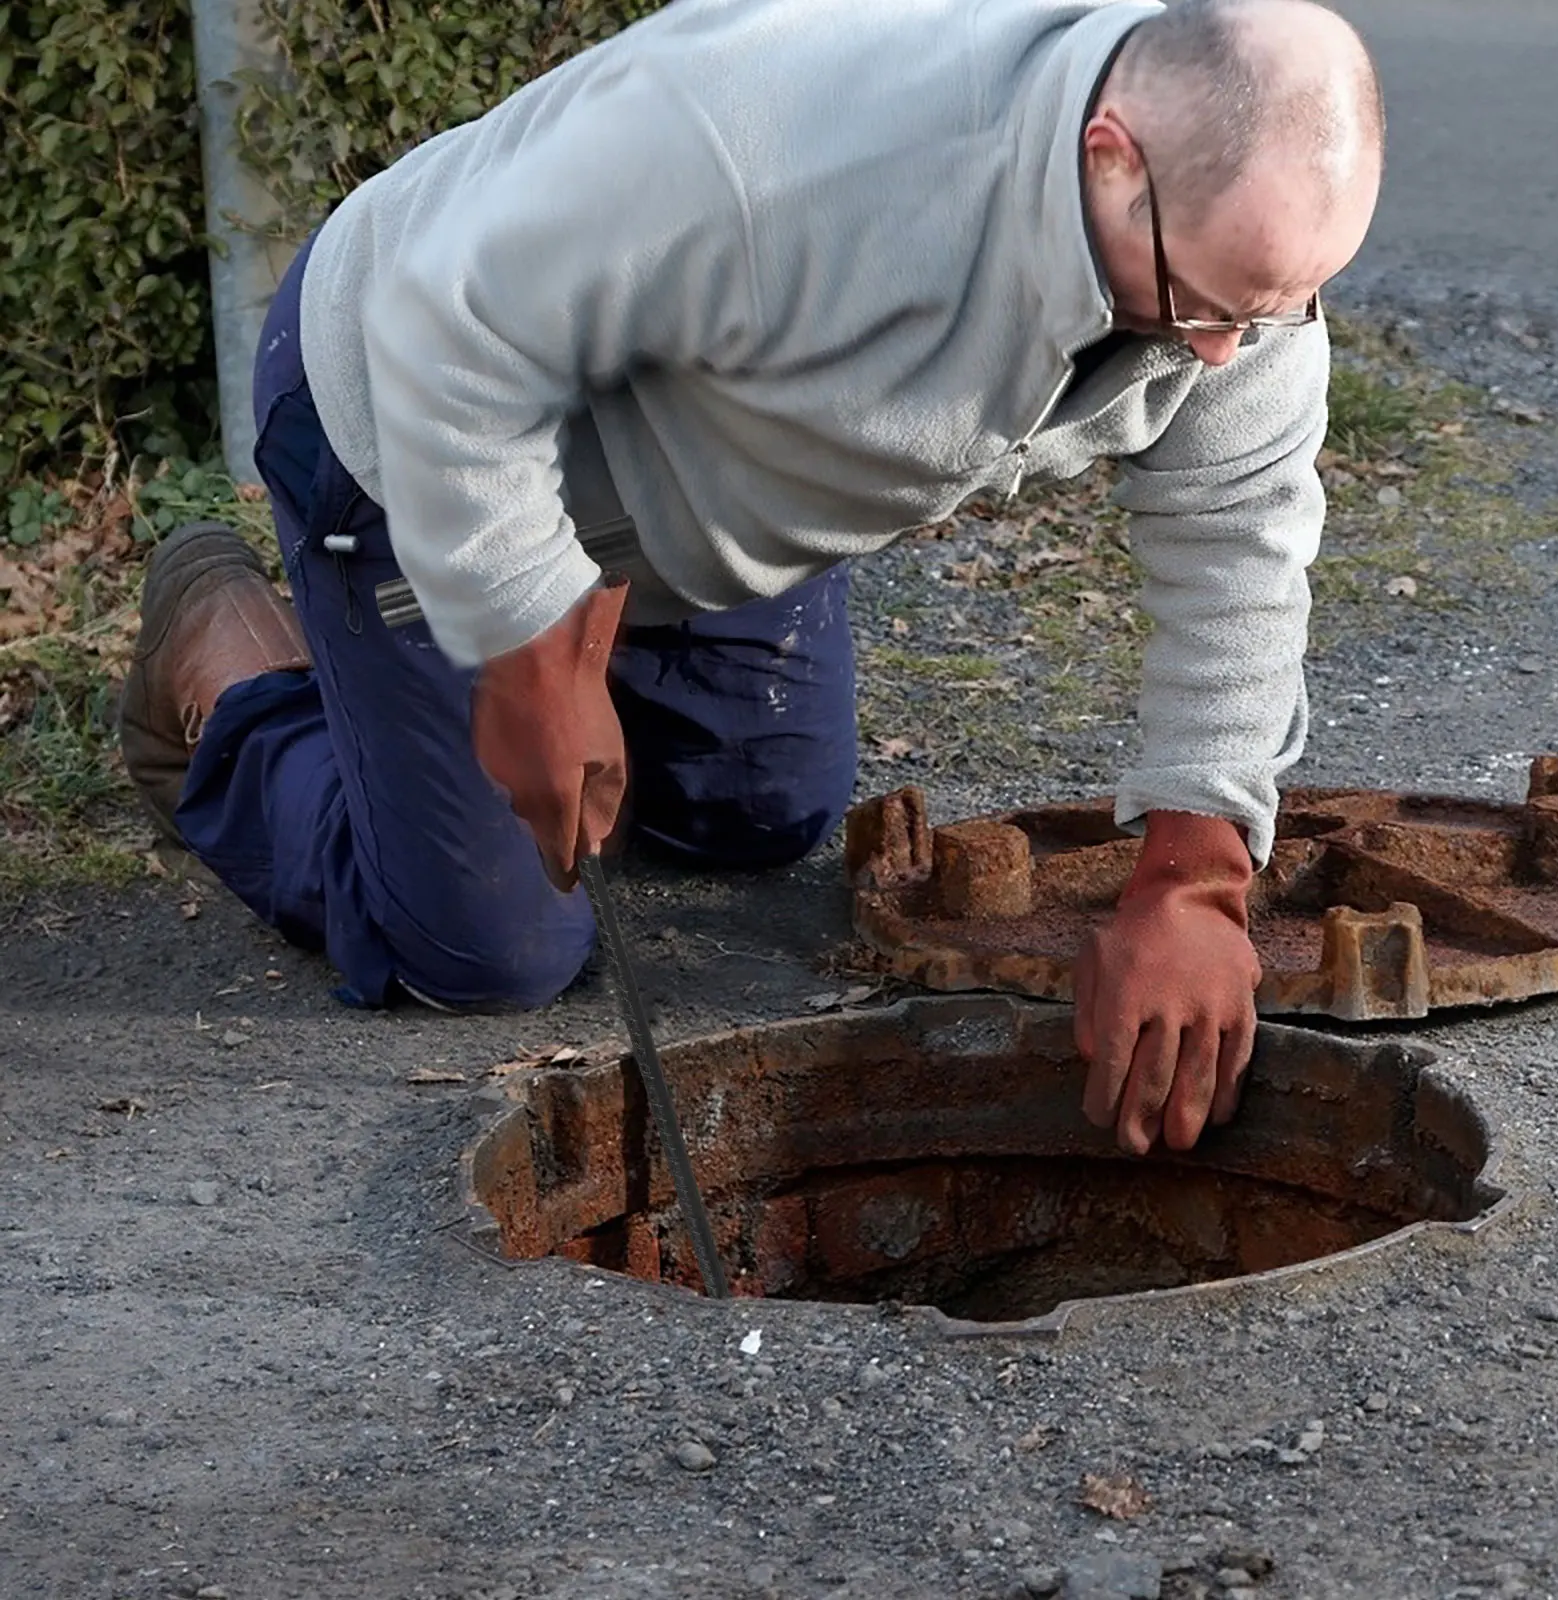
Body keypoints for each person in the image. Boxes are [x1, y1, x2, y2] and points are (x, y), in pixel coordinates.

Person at [119, 0, 1384, 1157]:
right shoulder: (775, 144)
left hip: (699, 472)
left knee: (760, 814)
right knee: (490, 950)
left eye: (1272, 313)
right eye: (1208, 305)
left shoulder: (1235, 267)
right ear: (1110, 154)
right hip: (408, 417)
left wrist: (1195, 875)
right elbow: (453, 318)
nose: (1224, 354)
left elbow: (1239, 519)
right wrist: (522, 630)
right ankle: (235, 671)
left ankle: (583, 644)